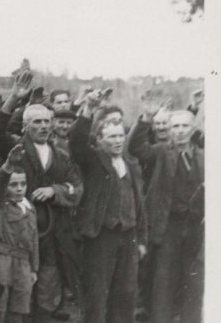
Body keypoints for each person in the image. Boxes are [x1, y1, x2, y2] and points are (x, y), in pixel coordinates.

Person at [0, 71, 83, 322]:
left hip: (51, 230)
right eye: (37, 122)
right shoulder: (15, 147)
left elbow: (77, 186)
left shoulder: (61, 155)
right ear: (25, 126)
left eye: (46, 121)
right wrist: (13, 99)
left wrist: (56, 191)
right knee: (15, 288)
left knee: (48, 282)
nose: (43, 126)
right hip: (17, 230)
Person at [69, 92, 148, 323]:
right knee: (96, 296)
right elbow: (76, 143)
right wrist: (87, 111)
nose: (117, 141)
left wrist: (141, 239)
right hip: (101, 237)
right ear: (100, 140)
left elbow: (139, 205)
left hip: (129, 238)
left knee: (125, 295)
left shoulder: (131, 164)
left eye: (120, 136)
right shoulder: (94, 161)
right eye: (111, 137)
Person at [129, 100, 204, 323]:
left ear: (193, 130)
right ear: (169, 131)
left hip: (195, 229)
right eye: (175, 127)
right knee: (164, 285)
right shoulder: (161, 151)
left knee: (194, 283)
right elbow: (134, 147)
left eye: (184, 127)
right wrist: (145, 118)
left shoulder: (203, 156)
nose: (180, 132)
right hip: (168, 227)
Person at [0, 145, 39, 323]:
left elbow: (34, 240)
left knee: (19, 307)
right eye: (14, 185)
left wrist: (34, 268)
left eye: (23, 184)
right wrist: (9, 164)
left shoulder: (29, 208)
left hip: (23, 264)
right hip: (3, 260)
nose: (19, 189)